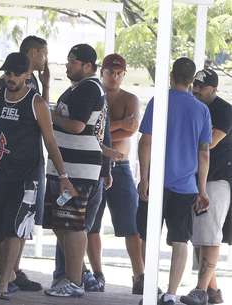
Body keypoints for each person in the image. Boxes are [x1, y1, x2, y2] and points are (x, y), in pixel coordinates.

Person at [0, 52, 75, 300]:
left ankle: (3, 283)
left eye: (15, 74)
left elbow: (50, 141)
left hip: (26, 176)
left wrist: (63, 174)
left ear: (26, 75)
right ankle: (9, 272)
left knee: (15, 229)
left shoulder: (37, 104)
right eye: (7, 73)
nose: (10, 78)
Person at [137, 57, 212, 305]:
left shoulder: (159, 101)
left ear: (171, 75)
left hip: (157, 181)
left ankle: (151, 290)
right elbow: (204, 153)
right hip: (185, 185)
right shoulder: (202, 110)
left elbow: (145, 141)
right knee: (181, 240)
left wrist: (144, 177)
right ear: (192, 81)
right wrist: (202, 189)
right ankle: (170, 294)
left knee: (148, 236)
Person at [43, 44, 107, 298]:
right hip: (66, 168)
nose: (68, 65)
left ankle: (75, 281)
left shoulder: (90, 88)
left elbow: (78, 125)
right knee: (61, 223)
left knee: (73, 224)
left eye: (73, 61)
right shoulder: (77, 89)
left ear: (88, 66)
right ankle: (77, 274)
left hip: (79, 170)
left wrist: (48, 116)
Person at [0, 36, 49, 292]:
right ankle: (6, 270)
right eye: (44, 53)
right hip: (4, 165)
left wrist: (47, 86)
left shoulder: (34, 85)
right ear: (34, 53)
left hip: (29, 166)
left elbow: (44, 118)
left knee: (21, 222)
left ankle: (10, 274)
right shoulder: (7, 86)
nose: (46, 59)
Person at [87, 53, 145, 294]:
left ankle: (139, 275)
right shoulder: (91, 95)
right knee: (91, 225)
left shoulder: (130, 98)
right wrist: (120, 124)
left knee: (131, 225)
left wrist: (109, 130)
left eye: (120, 73)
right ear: (102, 72)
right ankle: (98, 273)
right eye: (111, 72)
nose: (115, 77)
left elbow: (131, 130)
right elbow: (91, 132)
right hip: (93, 165)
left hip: (120, 167)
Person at [181, 69, 232, 305]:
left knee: (209, 237)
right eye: (196, 85)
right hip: (195, 179)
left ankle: (201, 290)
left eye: (202, 86)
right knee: (199, 237)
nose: (197, 89)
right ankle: (212, 291)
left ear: (214, 89)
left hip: (217, 180)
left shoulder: (223, 110)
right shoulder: (193, 105)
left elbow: (210, 142)